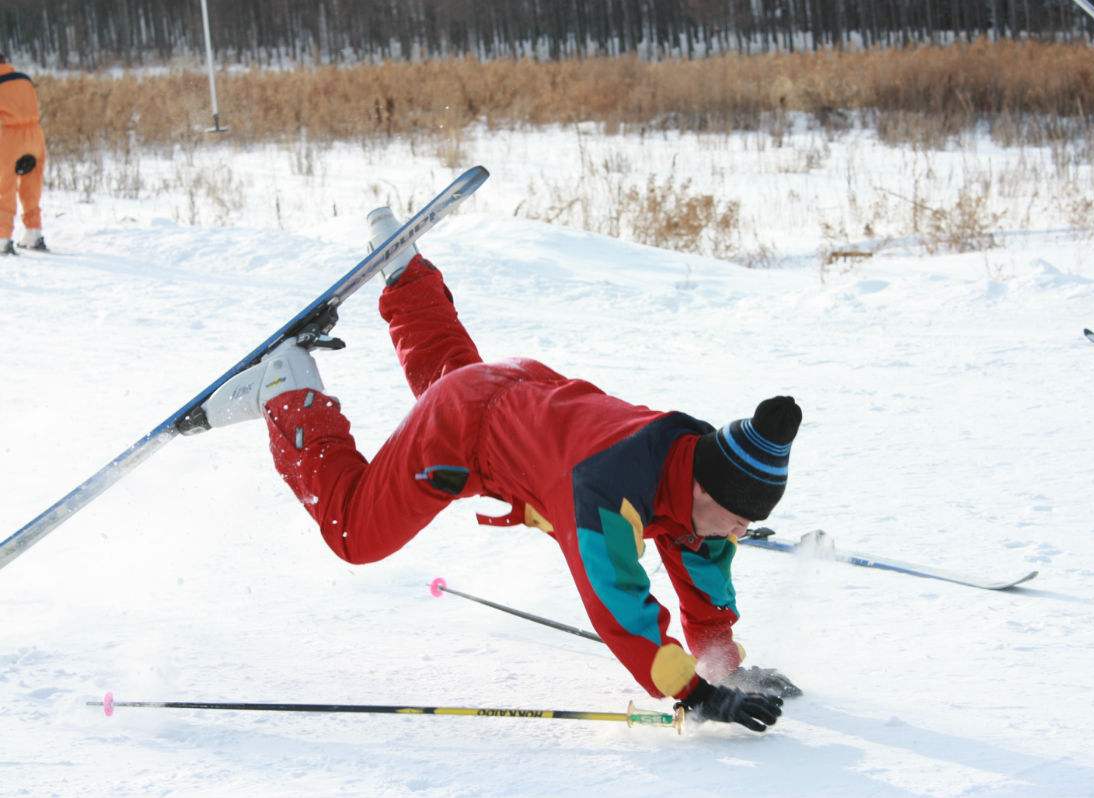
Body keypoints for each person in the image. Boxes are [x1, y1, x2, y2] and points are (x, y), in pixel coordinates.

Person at [203, 208, 804, 732]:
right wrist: (693, 693)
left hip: (512, 387)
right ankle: (289, 392)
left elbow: (703, 565)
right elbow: (617, 601)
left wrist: (723, 662)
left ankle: (406, 274)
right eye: (737, 520)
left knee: (452, 376)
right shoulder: (608, 494)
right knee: (355, 531)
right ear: (706, 486)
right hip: (464, 433)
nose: (739, 534)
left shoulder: (693, 460)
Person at [0, 53, 47, 255]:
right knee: (31, 188)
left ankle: (2, 238)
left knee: (4, 188)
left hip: (8, 138)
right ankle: (34, 233)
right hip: (35, 136)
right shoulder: (23, 78)